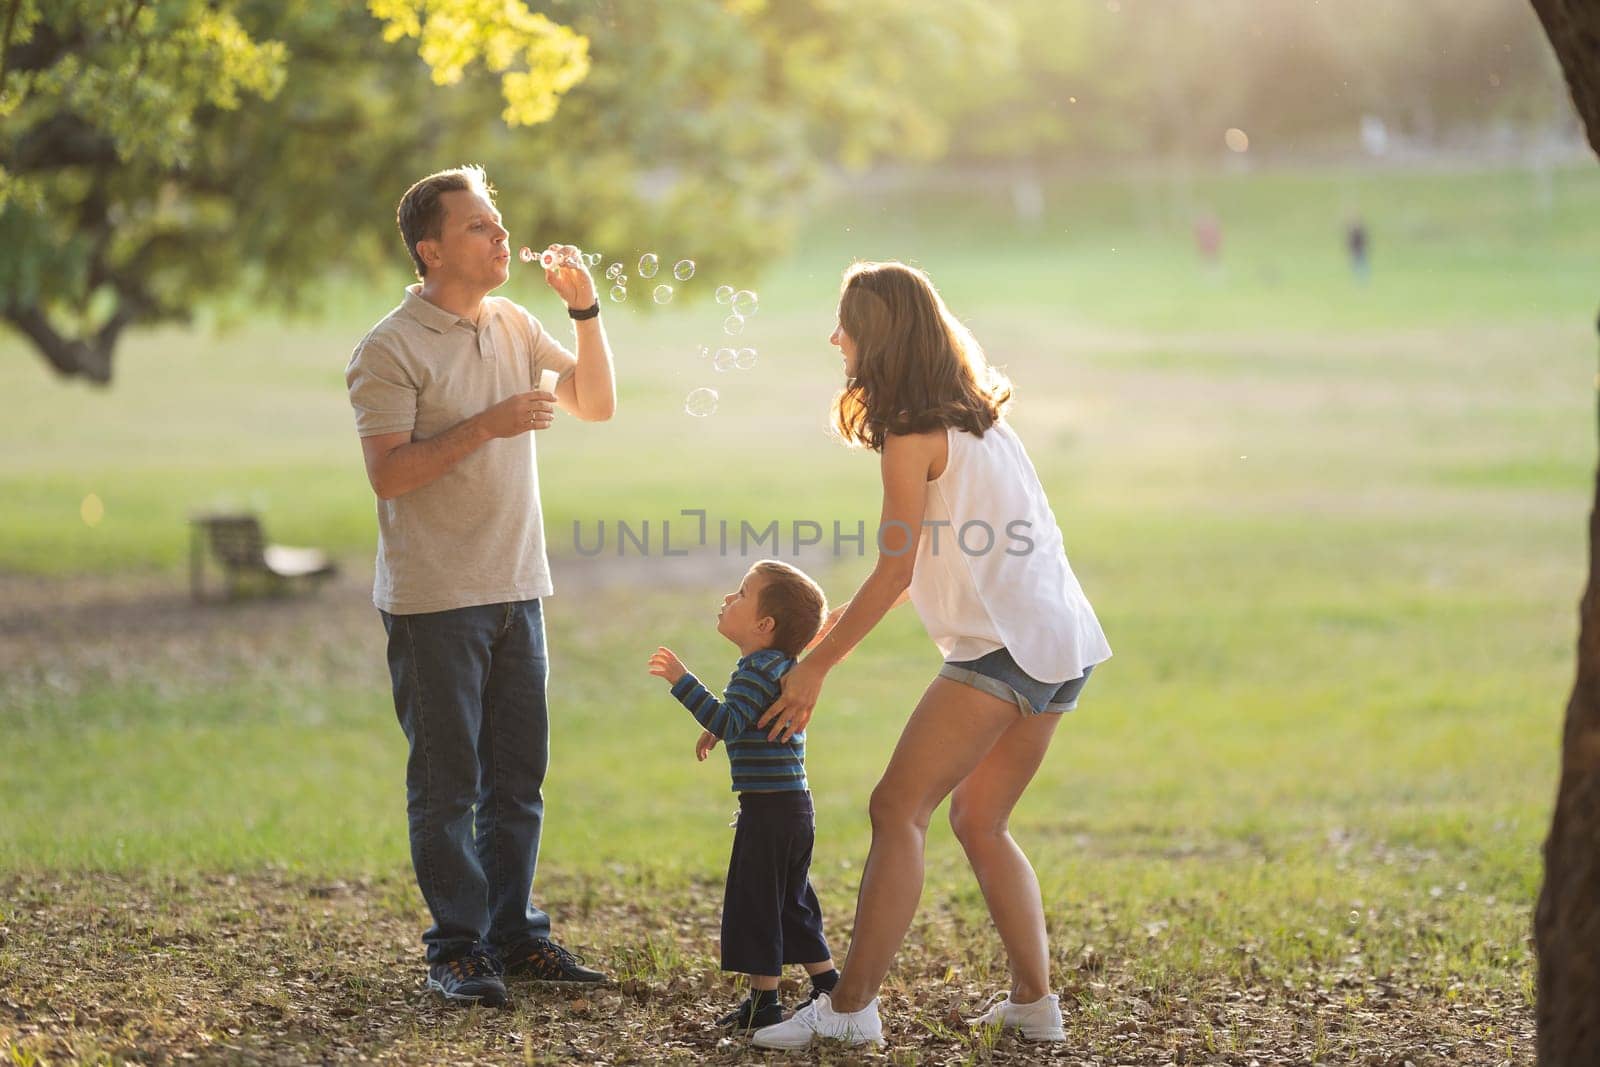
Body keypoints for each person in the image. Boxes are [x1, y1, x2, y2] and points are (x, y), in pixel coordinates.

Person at [750, 261, 1111, 1049]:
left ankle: (848, 1010)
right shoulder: (979, 420)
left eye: (844, 322)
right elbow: (944, 554)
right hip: (1061, 642)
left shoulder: (911, 432)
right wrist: (835, 625)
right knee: (980, 819)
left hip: (1006, 647)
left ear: (875, 335)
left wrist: (817, 665)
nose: (833, 336)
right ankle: (1035, 1002)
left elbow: (897, 566)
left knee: (894, 808)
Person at [344, 164, 617, 1009]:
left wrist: (585, 309)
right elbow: (389, 476)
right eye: (478, 228)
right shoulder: (387, 349)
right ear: (430, 249)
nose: (501, 237)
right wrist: (490, 424)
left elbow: (595, 404)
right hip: (435, 600)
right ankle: (457, 947)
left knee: (517, 778)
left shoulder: (512, 321)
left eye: (499, 224)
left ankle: (517, 936)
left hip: (516, 586)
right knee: (448, 782)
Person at [647, 561, 841, 1031]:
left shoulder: (756, 670)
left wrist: (682, 681)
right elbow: (742, 722)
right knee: (788, 900)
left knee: (757, 901)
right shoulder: (779, 668)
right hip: (794, 806)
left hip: (768, 810)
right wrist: (720, 732)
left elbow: (729, 719)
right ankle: (829, 986)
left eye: (740, 594)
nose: (727, 599)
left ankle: (764, 1004)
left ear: (764, 625)